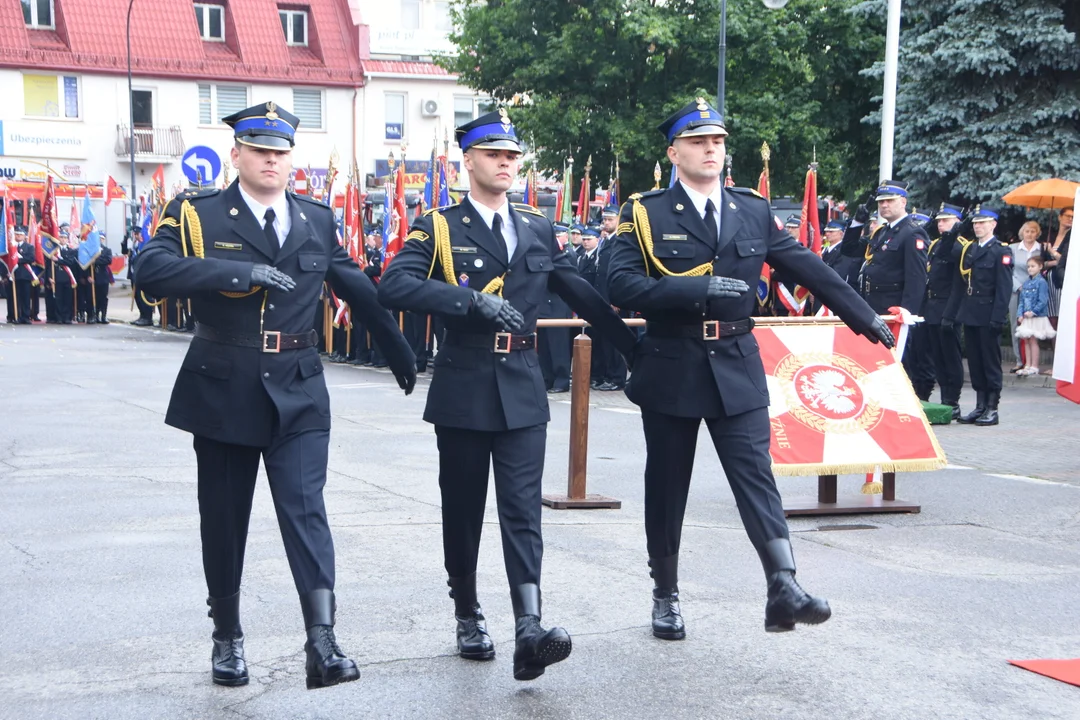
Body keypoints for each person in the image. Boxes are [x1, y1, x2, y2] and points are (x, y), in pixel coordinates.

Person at [136, 101, 417, 690]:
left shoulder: (314, 219)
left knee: (305, 508)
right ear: (236, 154)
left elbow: (355, 285)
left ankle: (323, 640)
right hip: (224, 381)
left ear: (292, 158)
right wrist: (235, 274)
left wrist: (394, 346)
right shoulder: (198, 213)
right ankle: (228, 637)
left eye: (281, 151)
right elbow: (151, 268)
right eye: (259, 149)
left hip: (298, 383)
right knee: (225, 517)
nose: (271, 159)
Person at [607, 98, 895, 641]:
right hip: (673, 362)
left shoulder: (752, 209)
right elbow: (619, 286)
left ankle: (782, 584)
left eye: (717, 141)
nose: (710, 149)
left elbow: (807, 266)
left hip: (737, 363)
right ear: (674, 152)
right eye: (696, 142)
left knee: (757, 478)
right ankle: (665, 593)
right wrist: (695, 289)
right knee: (668, 486)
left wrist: (862, 317)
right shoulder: (644, 212)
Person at [378, 108, 637, 681]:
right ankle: (468, 612)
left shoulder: (536, 227)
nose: (506, 163)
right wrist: (469, 302)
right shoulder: (439, 226)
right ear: (467, 160)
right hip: (466, 383)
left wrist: (633, 350)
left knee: (522, 512)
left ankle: (528, 626)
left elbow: (582, 295)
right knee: (464, 508)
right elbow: (395, 283)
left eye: (513, 155)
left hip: (521, 384)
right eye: (494, 154)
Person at [951, 208, 1011, 426]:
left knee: (990, 362)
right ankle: (980, 405)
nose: (978, 227)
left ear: (993, 224)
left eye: (983, 223)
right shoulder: (972, 249)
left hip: (988, 314)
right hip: (971, 312)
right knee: (975, 362)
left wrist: (998, 318)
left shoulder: (1000, 251)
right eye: (976, 223)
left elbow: (1003, 289)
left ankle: (992, 407)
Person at [841, 181, 929, 319]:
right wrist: (858, 222)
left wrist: (907, 315)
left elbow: (916, 279)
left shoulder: (912, 233)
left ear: (903, 202)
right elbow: (849, 249)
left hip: (894, 310)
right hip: (872, 305)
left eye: (890, 200)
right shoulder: (881, 232)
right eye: (881, 201)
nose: (884, 205)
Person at [924, 204, 966, 417]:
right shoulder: (935, 245)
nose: (941, 224)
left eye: (946, 220)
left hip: (949, 308)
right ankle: (944, 399)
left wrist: (951, 314)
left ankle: (953, 400)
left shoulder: (960, 246)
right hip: (932, 307)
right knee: (938, 357)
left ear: (957, 222)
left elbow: (959, 285)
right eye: (939, 220)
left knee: (951, 357)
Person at [1008, 221, 1052, 372]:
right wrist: (1019, 286)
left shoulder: (1042, 249)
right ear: (1022, 233)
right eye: (1027, 231)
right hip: (1017, 289)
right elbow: (1008, 270)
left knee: (1033, 328)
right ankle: (1020, 360)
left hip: (1034, 292)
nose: (1030, 234)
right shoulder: (1013, 248)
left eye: (1033, 231)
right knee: (1016, 324)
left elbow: (1045, 266)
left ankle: (1033, 364)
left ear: (1037, 233)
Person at [1015, 256, 1055, 375]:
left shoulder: (1042, 282)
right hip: (1027, 316)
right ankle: (1027, 364)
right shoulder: (1026, 283)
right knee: (1026, 339)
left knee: (1033, 340)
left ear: (1040, 267)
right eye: (1028, 267)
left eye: (1033, 266)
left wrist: (1033, 312)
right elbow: (1022, 300)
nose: (1030, 269)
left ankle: (1034, 366)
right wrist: (1020, 314)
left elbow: (1043, 300)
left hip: (1036, 316)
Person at [1045, 206, 1073, 331]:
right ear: (1060, 217)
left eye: (1073, 217)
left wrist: (1052, 251)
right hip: (1048, 281)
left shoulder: (1073, 237)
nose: (1071, 219)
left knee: (1063, 317)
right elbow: (1041, 262)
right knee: (1051, 319)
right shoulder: (1051, 235)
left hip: (1062, 281)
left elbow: (1068, 261)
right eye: (1068, 216)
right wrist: (1053, 262)